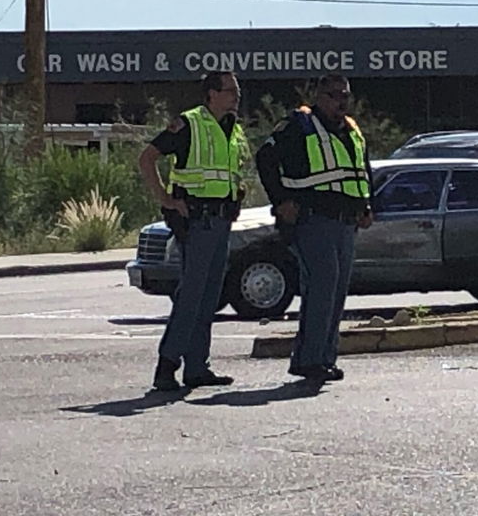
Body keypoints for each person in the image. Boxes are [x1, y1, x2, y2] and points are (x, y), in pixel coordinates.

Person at [256, 74, 373, 383]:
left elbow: (362, 170)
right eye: (335, 95)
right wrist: (281, 200)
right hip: (314, 219)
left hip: (346, 222)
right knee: (322, 285)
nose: (341, 101)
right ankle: (308, 359)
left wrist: (365, 206)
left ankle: (324, 358)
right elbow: (265, 158)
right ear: (320, 96)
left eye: (345, 95)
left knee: (335, 291)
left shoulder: (351, 130)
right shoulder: (300, 125)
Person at [138, 71, 246, 392]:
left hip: (222, 220)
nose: (236, 97)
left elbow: (232, 173)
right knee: (192, 295)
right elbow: (147, 159)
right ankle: (167, 365)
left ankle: (197, 367)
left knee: (209, 296)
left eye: (237, 91)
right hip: (197, 221)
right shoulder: (189, 124)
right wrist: (167, 200)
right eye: (230, 91)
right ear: (211, 94)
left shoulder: (232, 129)